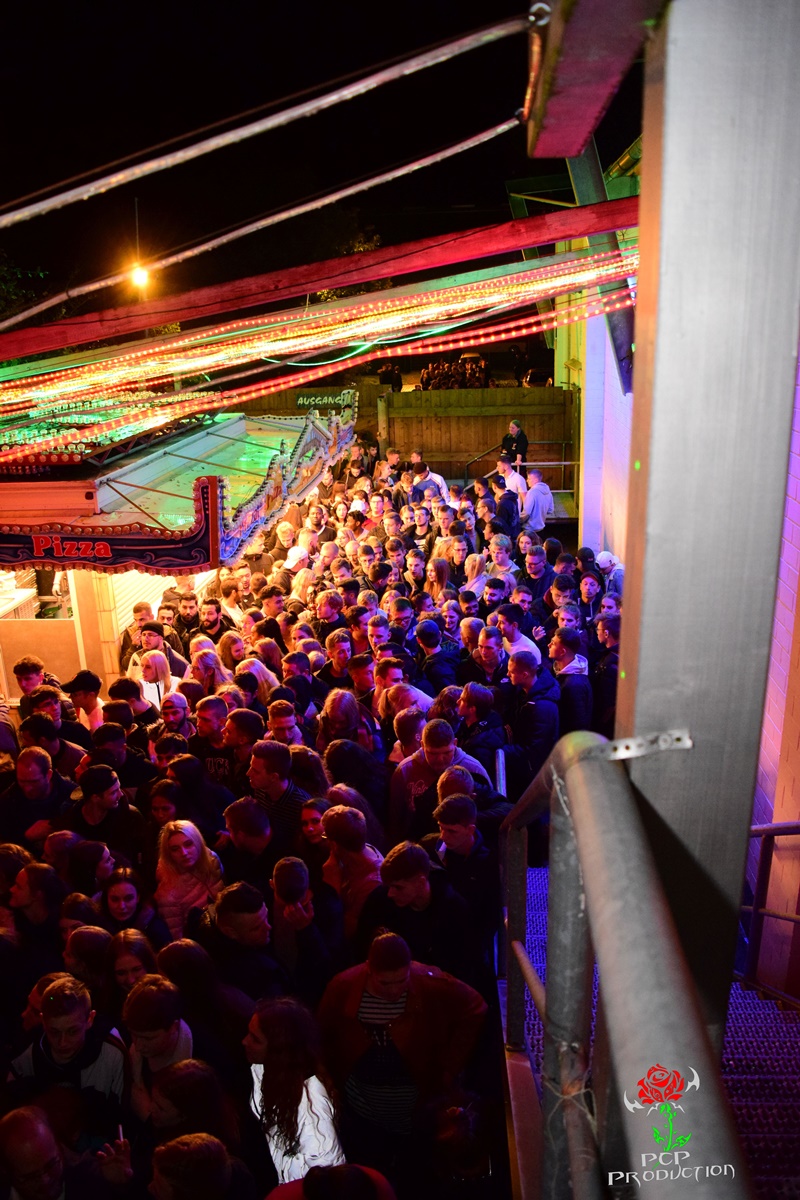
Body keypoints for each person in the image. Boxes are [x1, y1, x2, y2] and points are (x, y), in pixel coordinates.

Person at [318, 933, 487, 1173]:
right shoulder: (342, 987)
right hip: (363, 1111)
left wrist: (451, 1064)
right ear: (369, 969)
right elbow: (323, 1035)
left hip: (417, 1111)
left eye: (401, 981)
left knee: (414, 1171)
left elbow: (475, 1006)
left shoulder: (428, 983)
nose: (394, 991)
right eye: (385, 984)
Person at [8, 976, 127, 1142]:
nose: (62, 1043)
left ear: (90, 1019)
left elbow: (120, 1120)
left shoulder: (111, 1053)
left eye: (73, 1031)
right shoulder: (26, 1053)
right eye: (54, 1032)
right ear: (43, 1021)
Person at [244, 997, 345, 1183]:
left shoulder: (312, 1105)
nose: (244, 1042)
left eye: (255, 1039)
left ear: (279, 1049)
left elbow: (325, 1178)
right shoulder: (264, 1072)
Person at [389, 719, 491, 843]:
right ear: (422, 745)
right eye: (433, 754)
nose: (440, 759)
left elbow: (490, 803)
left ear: (455, 743)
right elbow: (395, 817)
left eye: (447, 752)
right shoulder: (405, 771)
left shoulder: (473, 769)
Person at [123, 975, 194, 1120]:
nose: (138, 1046)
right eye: (134, 1035)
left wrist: (147, 1116)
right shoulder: (128, 1050)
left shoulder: (201, 1059)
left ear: (173, 1027)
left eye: (148, 1038)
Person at [155, 819, 223, 940]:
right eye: (175, 849)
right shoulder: (168, 890)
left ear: (197, 842)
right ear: (169, 854)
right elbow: (178, 938)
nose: (184, 853)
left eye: (188, 844)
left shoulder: (211, 860)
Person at [548, 627, 593, 736]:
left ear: (563, 652)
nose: (549, 645)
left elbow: (577, 724)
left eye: (553, 643)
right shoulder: (557, 669)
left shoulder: (574, 685)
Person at [592, 614, 621, 739]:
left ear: (606, 633)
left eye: (598, 630)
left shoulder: (609, 663)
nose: (596, 633)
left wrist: (601, 723)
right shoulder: (621, 653)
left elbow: (606, 700)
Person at [521, 467, 555, 536]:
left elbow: (526, 512)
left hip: (529, 530)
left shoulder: (531, 492)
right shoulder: (548, 491)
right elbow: (550, 510)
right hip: (541, 529)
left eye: (529, 479)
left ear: (536, 480)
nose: (527, 481)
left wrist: (518, 520)